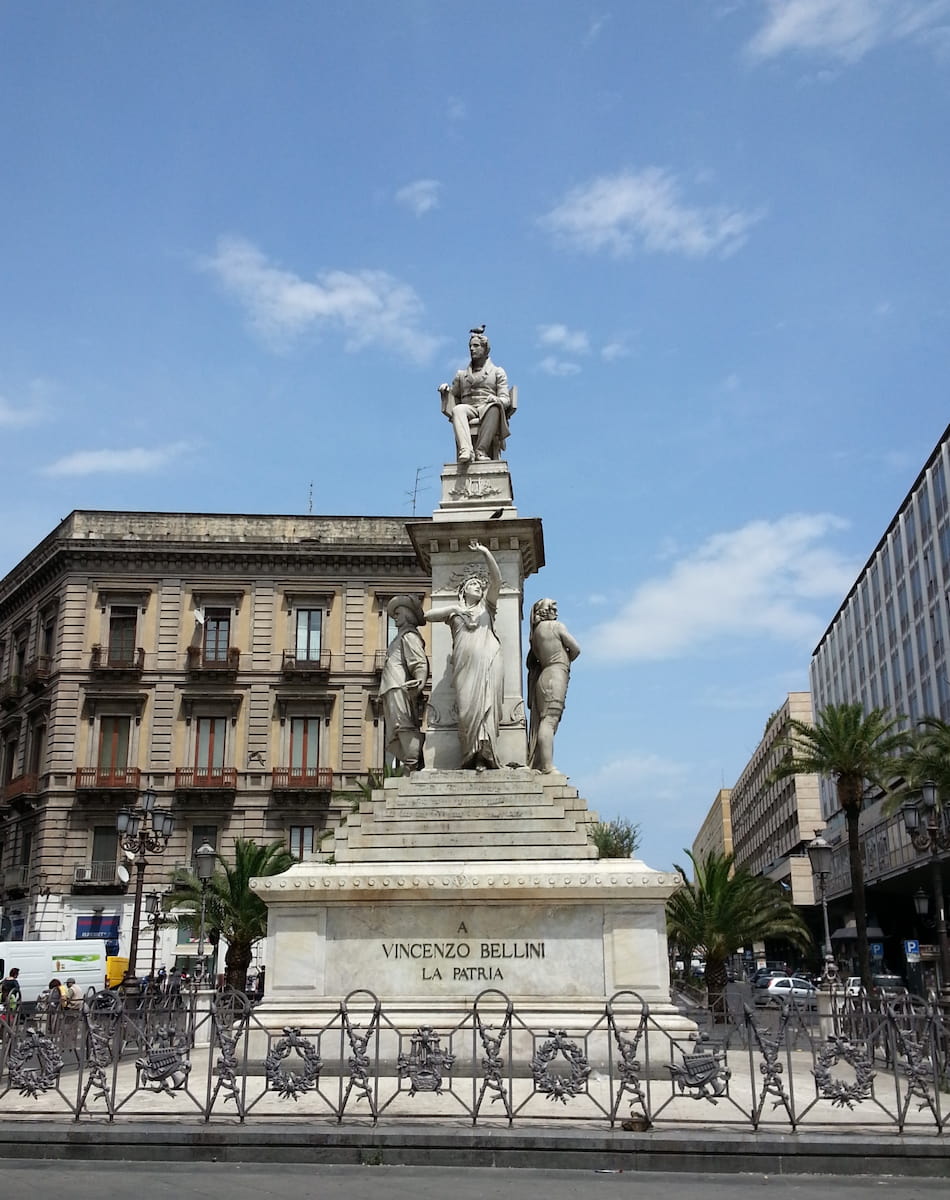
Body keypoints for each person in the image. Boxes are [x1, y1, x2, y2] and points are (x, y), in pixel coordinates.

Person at [424, 540, 504, 770]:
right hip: (464, 666)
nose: (478, 586)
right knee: (467, 709)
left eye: (480, 584)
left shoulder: (487, 607)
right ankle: (470, 753)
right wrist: (454, 609)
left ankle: (485, 755)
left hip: (490, 661)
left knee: (487, 708)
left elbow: (497, 580)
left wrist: (486, 552)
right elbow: (428, 615)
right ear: (463, 590)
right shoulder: (454, 612)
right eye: (473, 584)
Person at [439, 326, 515, 464]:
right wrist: (445, 391)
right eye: (470, 346)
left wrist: (497, 399)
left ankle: (481, 450)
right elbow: (453, 396)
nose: (472, 349)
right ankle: (466, 450)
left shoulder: (497, 372)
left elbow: (506, 399)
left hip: (487, 407)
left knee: (495, 407)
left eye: (476, 346)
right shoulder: (461, 375)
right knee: (458, 409)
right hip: (469, 408)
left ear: (485, 349)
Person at [526, 598, 581, 774]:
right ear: (545, 610)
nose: (556, 611)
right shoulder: (555, 626)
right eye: (553, 607)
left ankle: (543, 763)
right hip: (556, 674)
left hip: (544, 676)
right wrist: (565, 660)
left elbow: (531, 661)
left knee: (547, 720)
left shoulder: (535, 635)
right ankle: (548, 767)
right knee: (549, 720)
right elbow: (576, 648)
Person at [379, 594, 429, 772]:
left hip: (399, 687)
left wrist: (420, 680)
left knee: (404, 725)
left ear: (407, 614)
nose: (395, 618)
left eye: (398, 614)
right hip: (391, 687)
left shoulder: (409, 636)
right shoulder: (400, 637)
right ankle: (413, 762)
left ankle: (413, 764)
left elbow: (419, 662)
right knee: (398, 728)